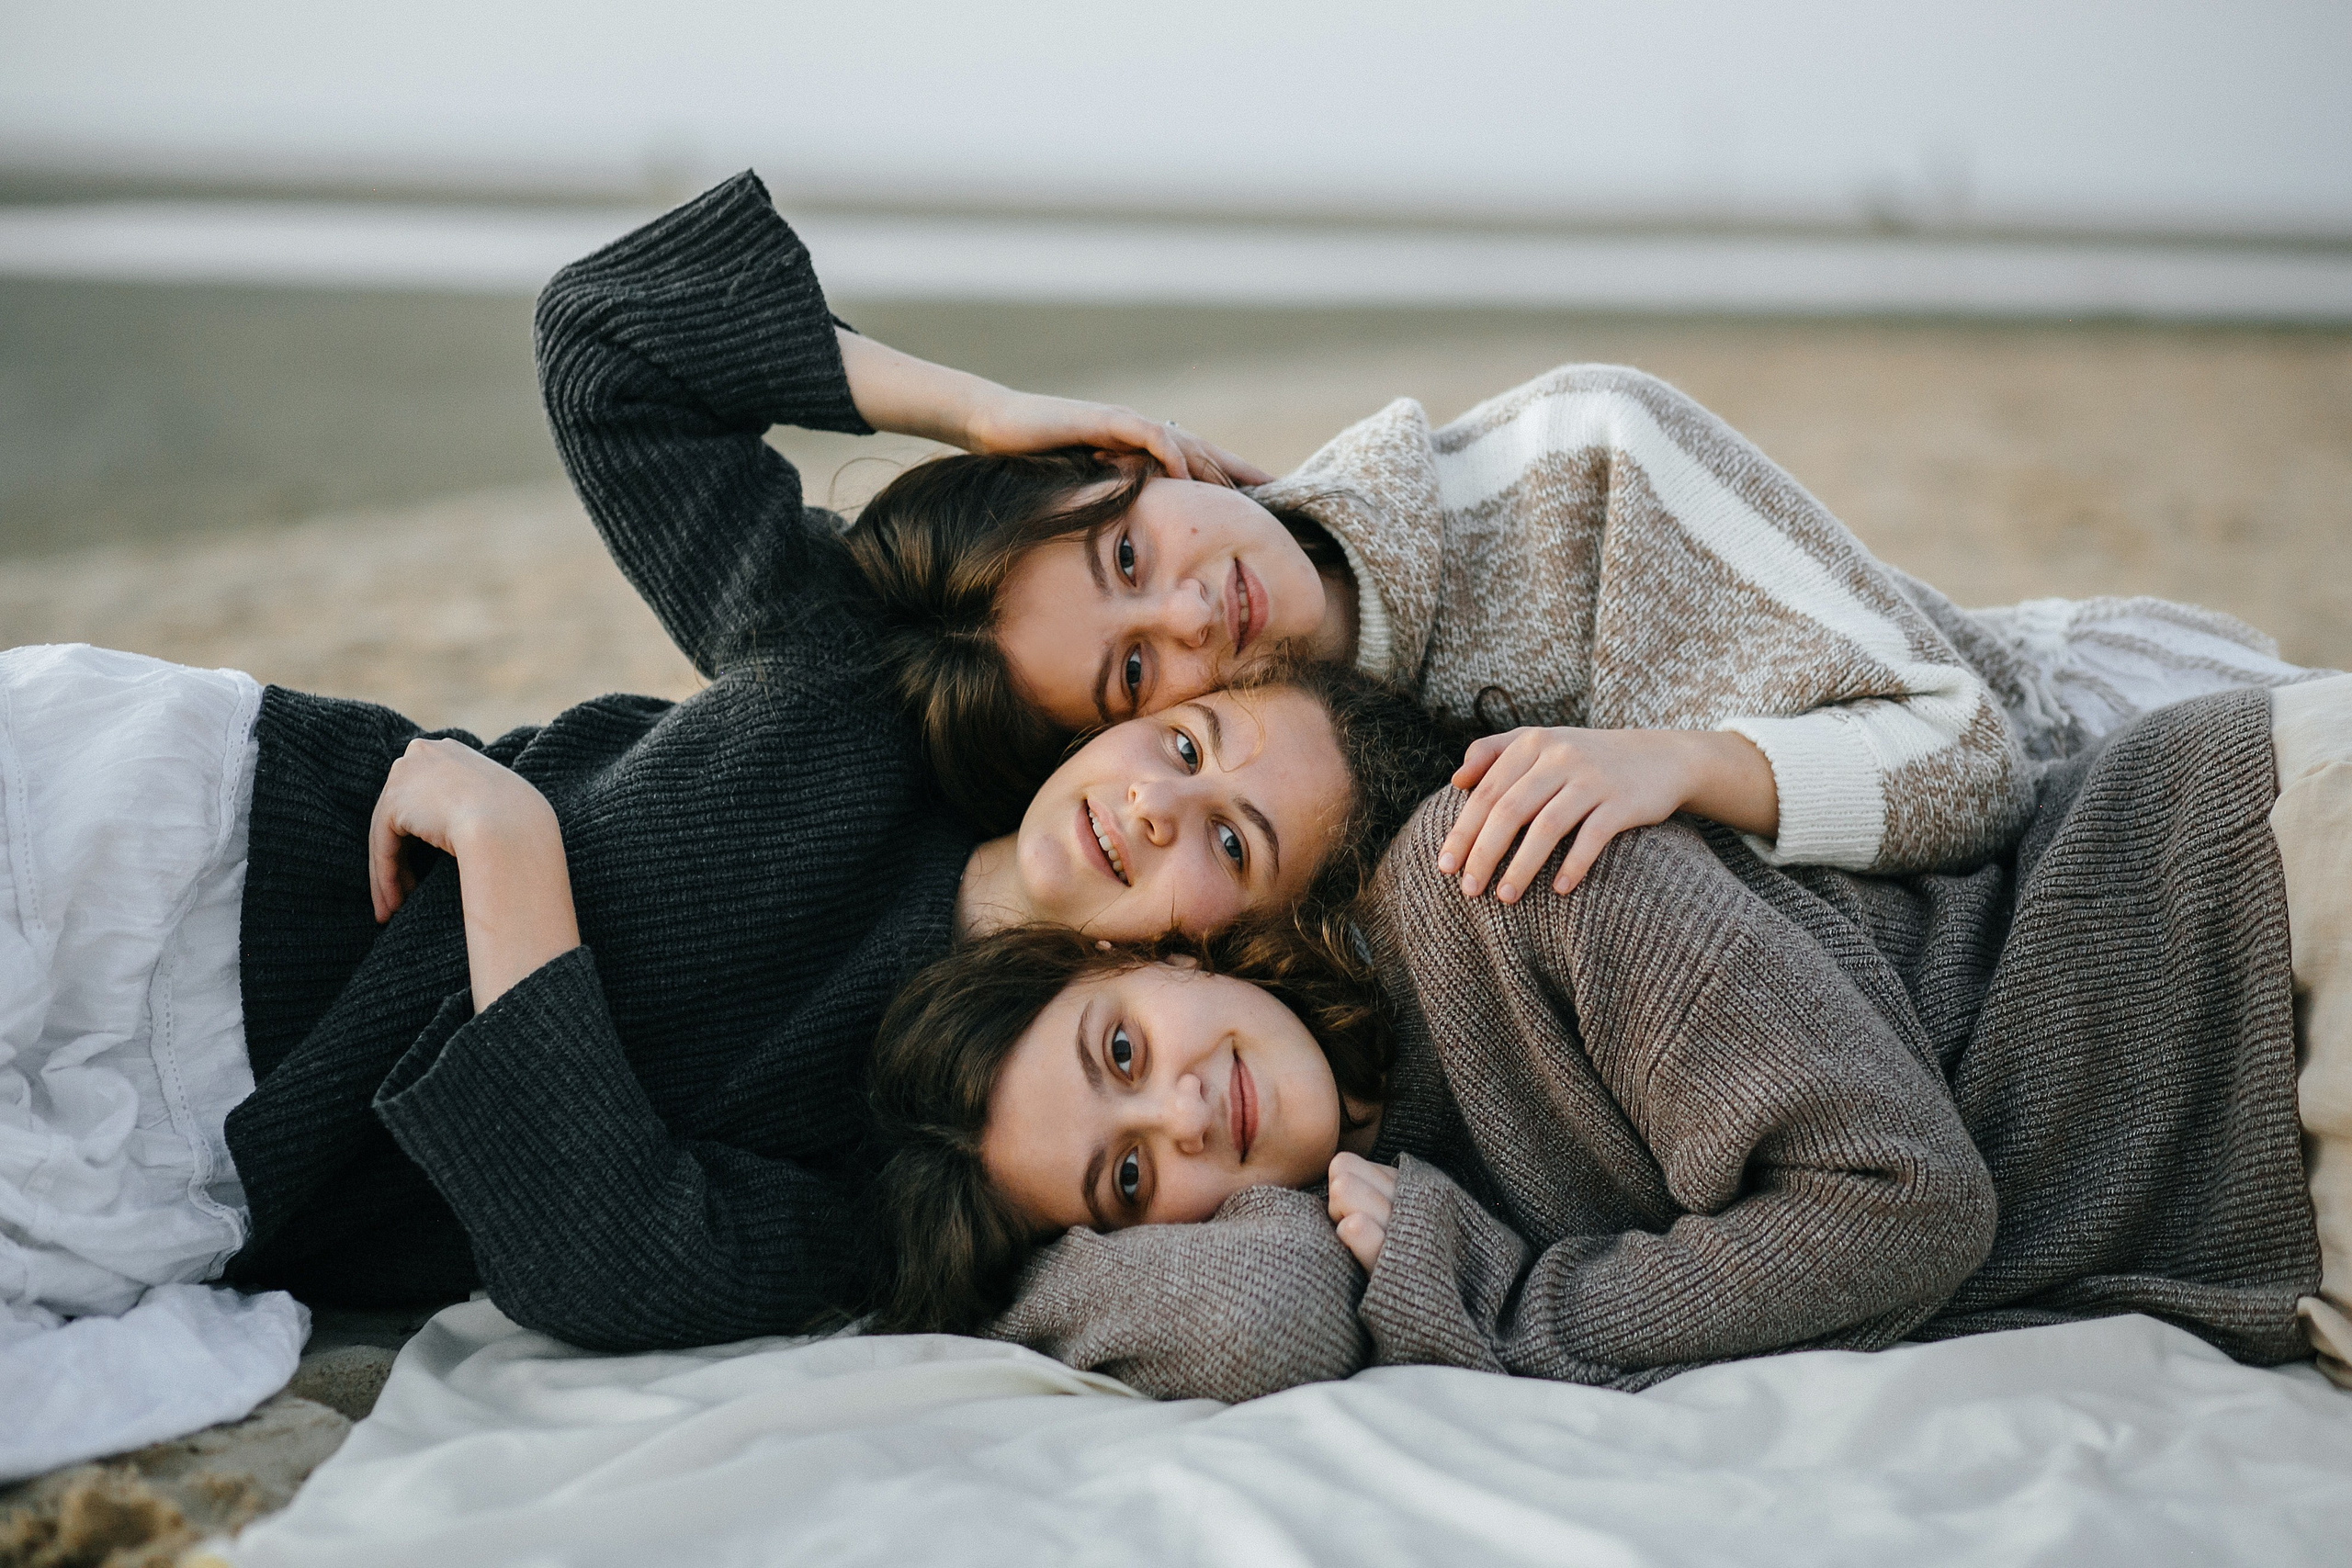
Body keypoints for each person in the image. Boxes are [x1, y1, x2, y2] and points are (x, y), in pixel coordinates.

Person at [0, 175, 1458, 1375]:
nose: (1156, 799)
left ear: (1239, 943)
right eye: (1169, 727)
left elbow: (615, 1259)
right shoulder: (864, 682)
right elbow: (608, 343)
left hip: (194, 1149)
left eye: (1232, 839)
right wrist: (978, 412)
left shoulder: (969, 1130)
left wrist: (513, 849)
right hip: (191, 843)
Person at [863, 676, 2352, 1402]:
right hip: (2272, 1210)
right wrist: (990, 1284)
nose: (1182, 1119)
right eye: (1126, 1185)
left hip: (2248, 914)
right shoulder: (1365, 1202)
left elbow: (1906, 1205)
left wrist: (1508, 1305)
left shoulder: (1488, 873)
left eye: (1120, 1052)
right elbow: (1257, 1317)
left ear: (1162, 954)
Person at [828, 291, 2318, 900]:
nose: (1193, 614)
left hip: (2143, 752)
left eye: (1129, 555)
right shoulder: (1252, 796)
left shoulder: (1581, 464)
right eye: (1133, 677)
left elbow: (1971, 751)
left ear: (1130, 459)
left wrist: (973, 407)